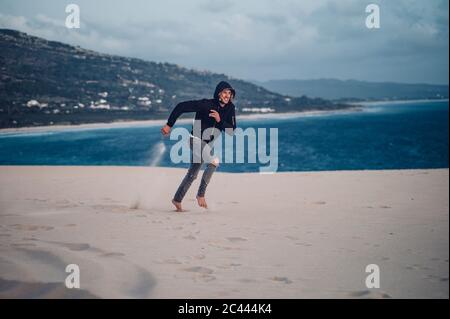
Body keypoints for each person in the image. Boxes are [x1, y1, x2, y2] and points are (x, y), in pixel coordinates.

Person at [161, 81, 237, 212]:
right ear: (219, 94)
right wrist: (169, 124)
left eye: (229, 93)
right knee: (214, 162)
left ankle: (177, 200)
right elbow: (181, 106)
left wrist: (220, 120)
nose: (227, 95)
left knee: (192, 175)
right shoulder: (206, 104)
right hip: (195, 140)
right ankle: (201, 194)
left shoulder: (230, 108)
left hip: (206, 145)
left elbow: (231, 131)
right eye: (225, 92)